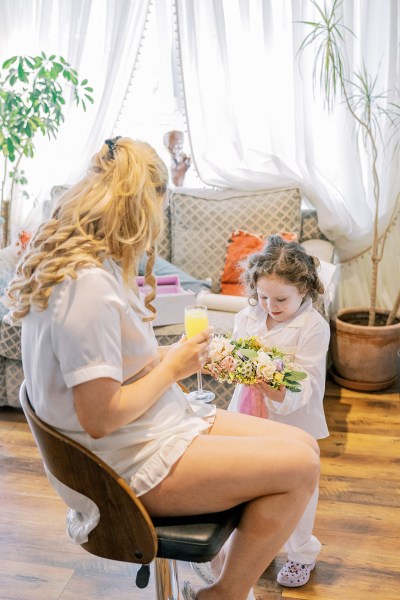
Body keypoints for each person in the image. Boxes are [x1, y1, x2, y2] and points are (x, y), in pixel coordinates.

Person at [7, 137, 320, 600]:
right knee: (298, 468)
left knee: (303, 445)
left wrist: (165, 355)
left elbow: (112, 368)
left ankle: (224, 582)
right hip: (124, 463)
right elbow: (100, 418)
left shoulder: (90, 264)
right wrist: (172, 366)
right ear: (140, 205)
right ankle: (226, 593)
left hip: (151, 428)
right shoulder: (86, 285)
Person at [226, 234, 330, 589]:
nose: (270, 305)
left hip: (292, 423)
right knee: (251, 482)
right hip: (248, 415)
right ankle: (260, 542)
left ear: (305, 290)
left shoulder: (313, 327)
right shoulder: (249, 315)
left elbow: (309, 384)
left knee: (297, 490)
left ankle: (302, 553)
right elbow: (239, 355)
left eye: (281, 299)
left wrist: (272, 385)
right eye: (264, 296)